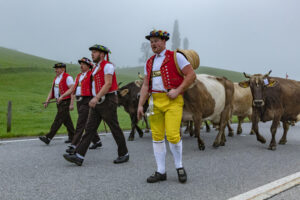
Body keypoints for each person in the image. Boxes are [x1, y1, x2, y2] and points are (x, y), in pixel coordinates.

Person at [137, 30, 196, 183]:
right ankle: (160, 171)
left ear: (164, 42)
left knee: (172, 135)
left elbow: (191, 75)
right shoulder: (149, 62)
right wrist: (140, 105)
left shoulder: (177, 57)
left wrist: (177, 90)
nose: (153, 44)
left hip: (173, 101)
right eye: (151, 42)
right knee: (156, 137)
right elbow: (145, 85)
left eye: (156, 41)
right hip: (154, 101)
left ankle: (179, 166)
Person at [63, 44, 129, 166]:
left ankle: (123, 153)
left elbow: (108, 84)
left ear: (102, 54)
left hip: (108, 100)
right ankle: (79, 155)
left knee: (114, 128)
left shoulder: (108, 66)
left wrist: (96, 97)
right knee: (89, 129)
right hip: (97, 102)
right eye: (92, 52)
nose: (92, 54)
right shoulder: (94, 68)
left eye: (95, 52)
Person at [57, 57, 102, 154]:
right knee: (86, 123)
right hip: (79, 101)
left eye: (83, 64)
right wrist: (63, 97)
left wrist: (97, 98)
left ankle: (74, 145)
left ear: (88, 66)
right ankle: (97, 141)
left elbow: (97, 85)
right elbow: (72, 90)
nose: (81, 66)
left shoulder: (91, 75)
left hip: (87, 100)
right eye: (80, 64)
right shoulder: (78, 76)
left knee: (80, 123)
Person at [39, 63, 75, 144]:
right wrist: (47, 100)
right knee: (66, 120)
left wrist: (71, 104)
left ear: (63, 69)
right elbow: (52, 91)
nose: (55, 70)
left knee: (58, 119)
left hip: (65, 101)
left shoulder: (68, 77)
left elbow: (73, 90)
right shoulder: (56, 78)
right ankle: (73, 137)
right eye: (55, 68)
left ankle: (48, 137)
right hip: (58, 102)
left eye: (57, 68)